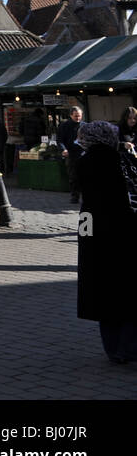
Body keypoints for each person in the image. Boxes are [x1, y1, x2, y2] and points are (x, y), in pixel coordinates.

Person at [75, 120, 137, 364]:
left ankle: (112, 348)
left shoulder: (83, 162)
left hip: (92, 230)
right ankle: (129, 347)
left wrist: (86, 238)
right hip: (124, 234)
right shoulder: (122, 161)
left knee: (103, 293)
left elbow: (86, 203)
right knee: (130, 292)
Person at [56, 106, 85, 203]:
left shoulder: (85, 126)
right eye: (76, 116)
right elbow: (60, 139)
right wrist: (63, 149)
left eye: (79, 116)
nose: (78, 118)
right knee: (73, 176)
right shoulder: (64, 126)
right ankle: (75, 195)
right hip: (71, 153)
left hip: (83, 153)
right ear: (71, 115)